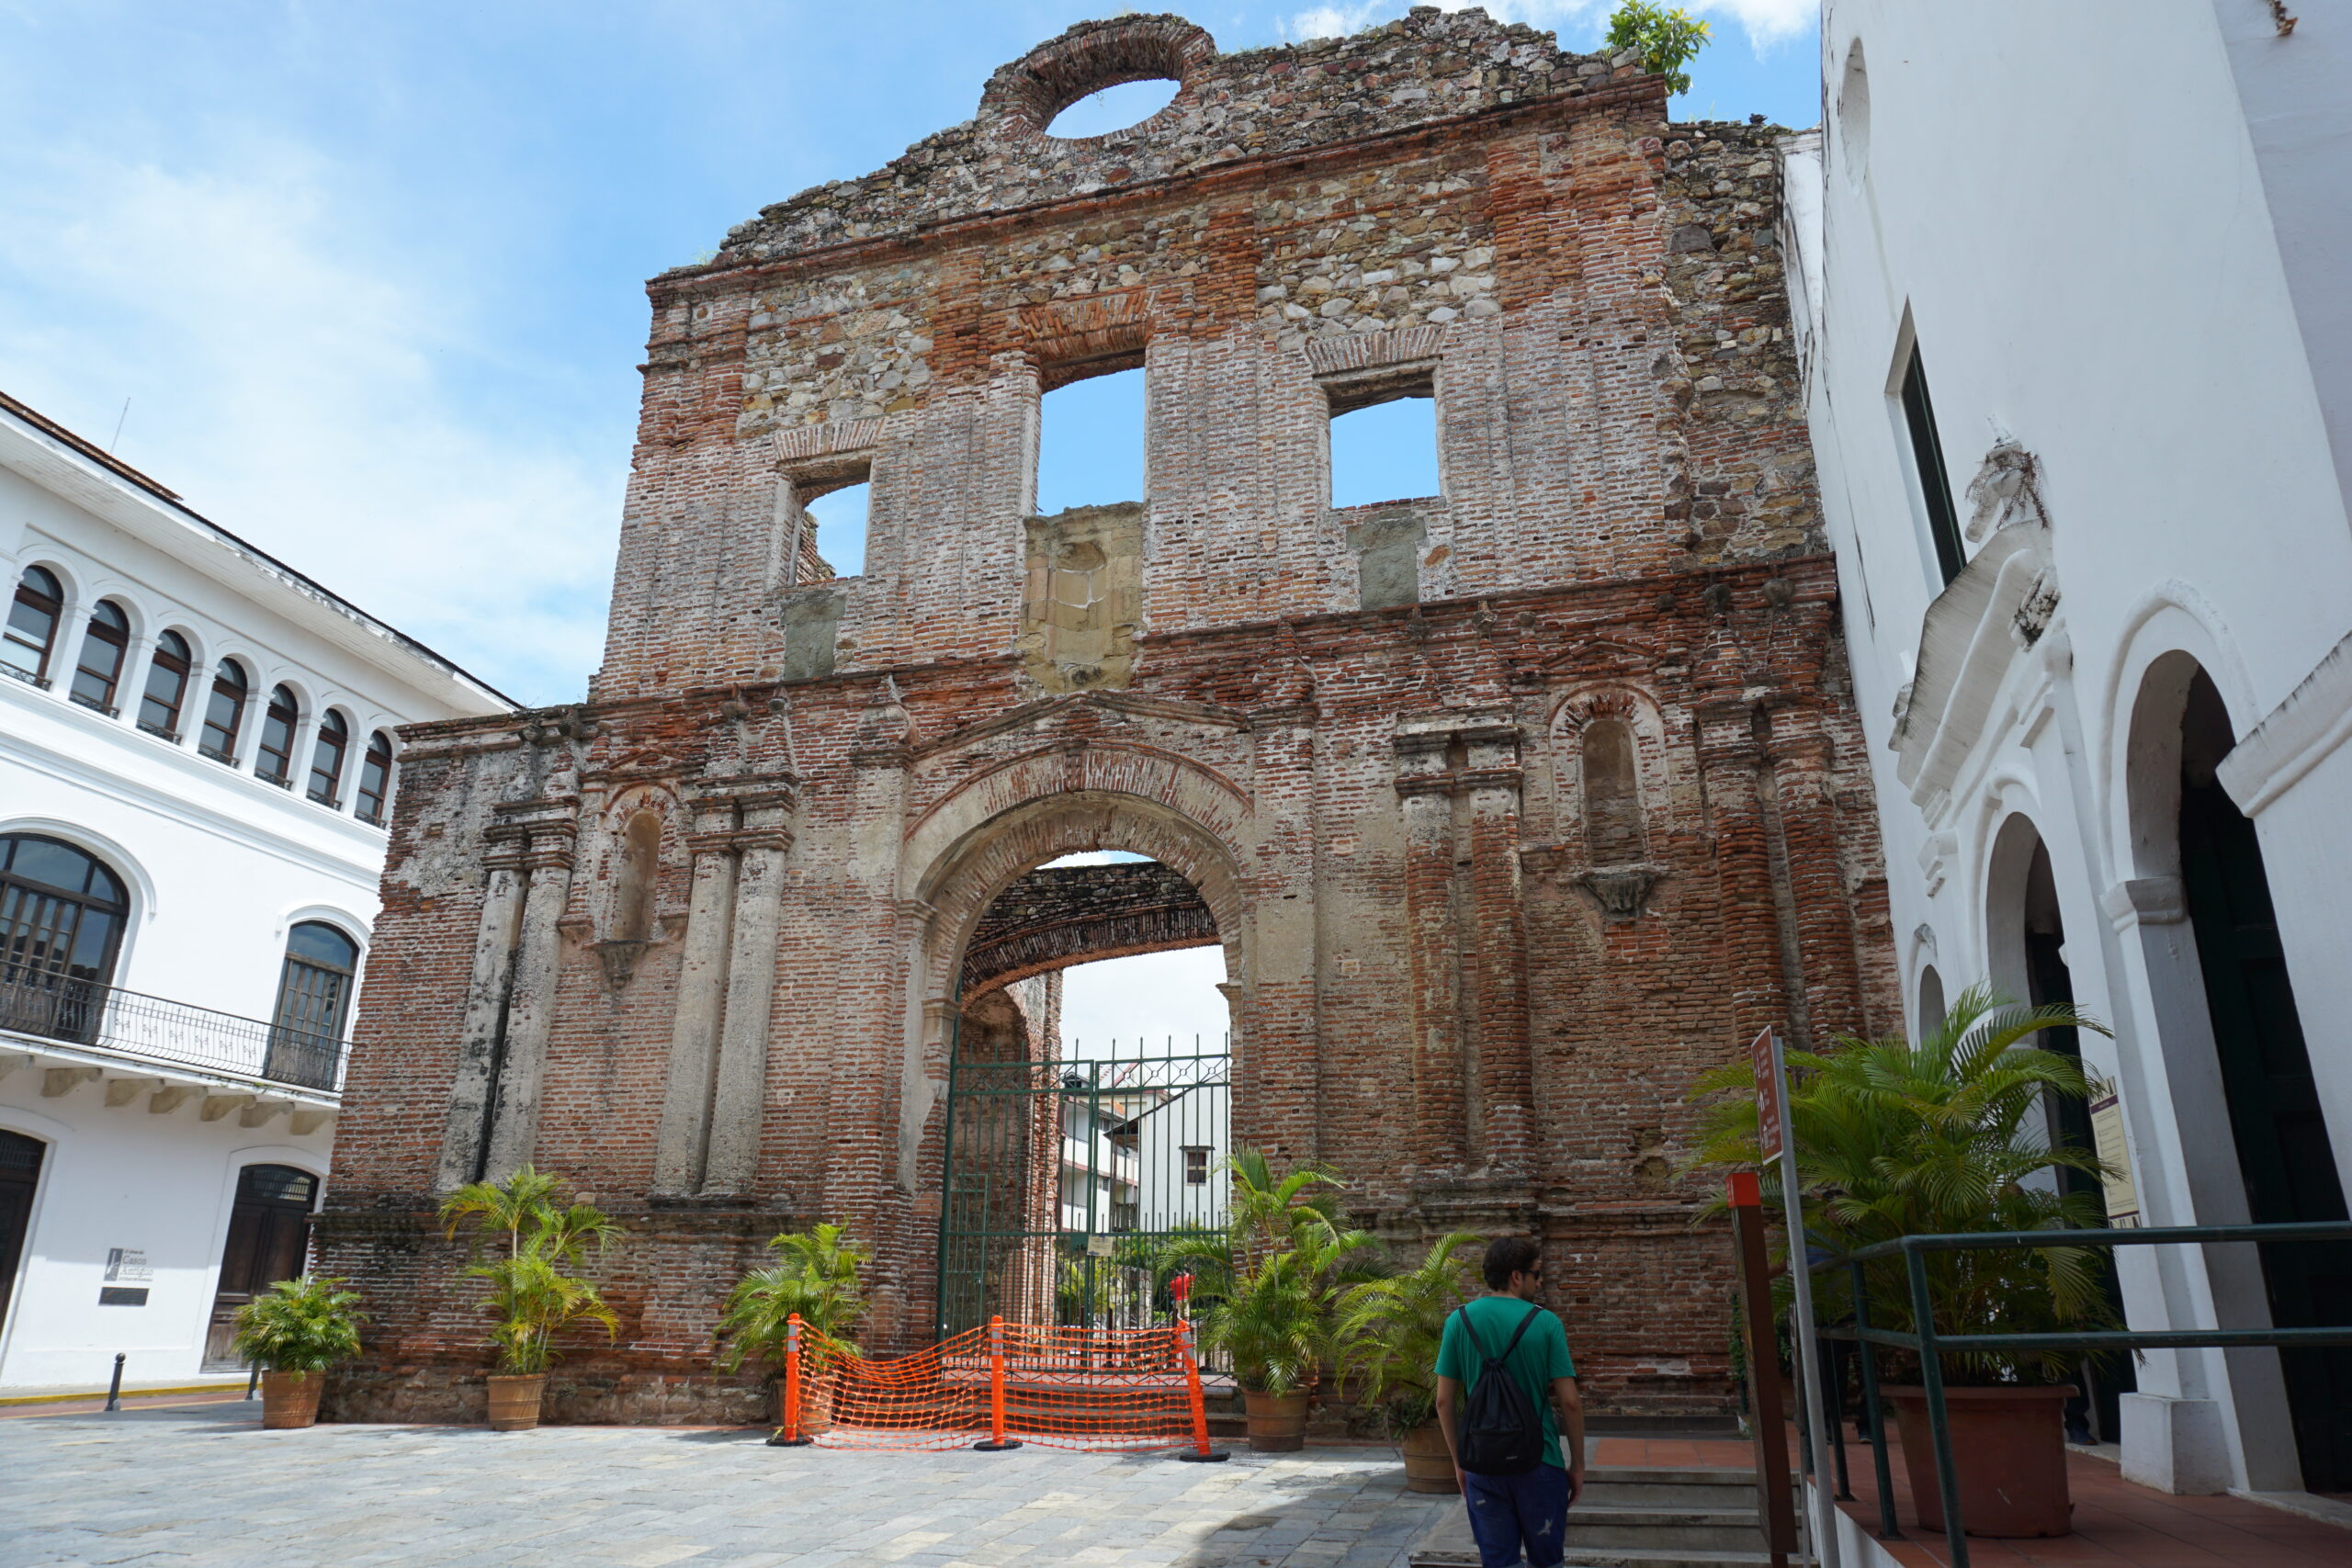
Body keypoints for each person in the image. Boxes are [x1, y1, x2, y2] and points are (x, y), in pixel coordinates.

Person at [1433, 1236, 1585, 1568]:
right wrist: (1577, 1466)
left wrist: (1460, 1462)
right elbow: (1570, 1402)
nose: (1540, 1281)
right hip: (1539, 1461)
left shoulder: (1459, 1321)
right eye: (1537, 1273)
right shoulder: (1546, 1323)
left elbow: (1444, 1401)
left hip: (1483, 1465)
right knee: (1548, 1562)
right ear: (1517, 1277)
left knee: (1498, 1562)